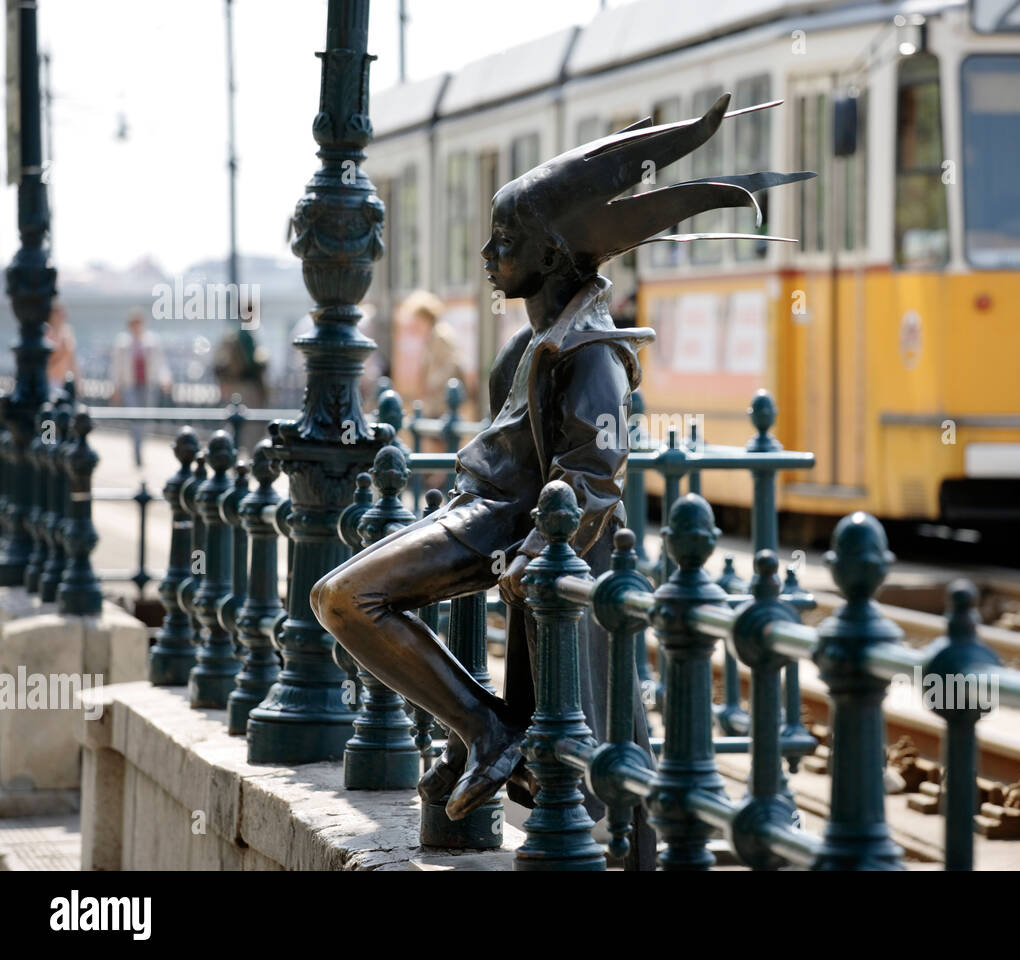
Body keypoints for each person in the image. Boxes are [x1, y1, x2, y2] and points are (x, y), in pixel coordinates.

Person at [310, 94, 809, 867]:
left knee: (345, 597)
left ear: (549, 254)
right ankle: (489, 730)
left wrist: (542, 549)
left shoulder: (589, 354)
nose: (487, 253)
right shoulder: (544, 339)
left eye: (504, 240)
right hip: (485, 514)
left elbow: (595, 478)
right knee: (345, 597)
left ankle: (487, 731)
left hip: (503, 524)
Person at [111, 309, 172, 467]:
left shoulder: (152, 341)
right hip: (130, 386)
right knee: (135, 419)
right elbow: (116, 367)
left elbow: (160, 364)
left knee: (145, 419)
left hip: (148, 385)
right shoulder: (122, 343)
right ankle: (137, 451)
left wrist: (165, 379)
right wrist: (116, 388)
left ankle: (140, 447)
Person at [390, 290, 465, 419]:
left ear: (426, 317)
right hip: (435, 403)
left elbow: (452, 364)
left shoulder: (440, 335)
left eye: (418, 319)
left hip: (442, 403)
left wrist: (432, 383)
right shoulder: (432, 336)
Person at [46, 299, 78, 389]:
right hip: (50, 380)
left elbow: (72, 360)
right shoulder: (47, 333)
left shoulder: (68, 332)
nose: (62, 316)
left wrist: (77, 380)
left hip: (63, 380)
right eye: (59, 313)